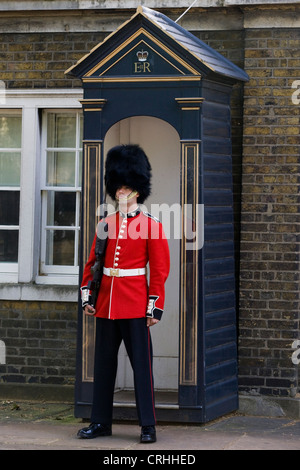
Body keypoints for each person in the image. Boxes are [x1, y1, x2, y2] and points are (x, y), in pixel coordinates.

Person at [77, 144, 170, 443]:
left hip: (134, 303)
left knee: (141, 367)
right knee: (103, 366)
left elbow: (159, 271)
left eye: (126, 187)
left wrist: (153, 306)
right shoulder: (105, 224)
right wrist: (87, 296)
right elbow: (93, 263)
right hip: (106, 302)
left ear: (137, 191)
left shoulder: (151, 226)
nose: (120, 193)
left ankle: (148, 425)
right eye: (117, 187)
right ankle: (101, 422)